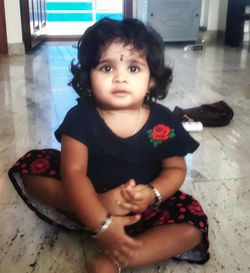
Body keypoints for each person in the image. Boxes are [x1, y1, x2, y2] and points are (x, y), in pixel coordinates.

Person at [8, 18, 209, 273]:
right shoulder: (80, 117)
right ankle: (97, 208)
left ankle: (115, 260)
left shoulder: (163, 122)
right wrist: (100, 219)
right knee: (32, 171)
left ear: (152, 80)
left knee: (191, 228)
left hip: (141, 204)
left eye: (134, 69)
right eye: (106, 68)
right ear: (88, 77)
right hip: (85, 195)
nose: (120, 78)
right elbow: (74, 173)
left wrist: (152, 194)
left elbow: (176, 169)